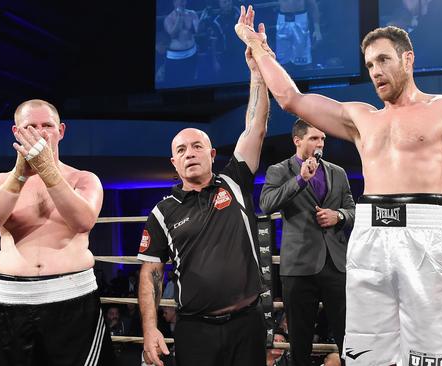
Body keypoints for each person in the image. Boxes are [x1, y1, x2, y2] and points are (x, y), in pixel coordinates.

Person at [235, 14, 442, 365]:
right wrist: (259, 48)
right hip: (370, 236)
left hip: (427, 233)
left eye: (383, 60)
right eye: (370, 64)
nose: (375, 71)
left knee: (435, 352)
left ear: (408, 58)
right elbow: (291, 99)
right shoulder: (362, 118)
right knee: (367, 352)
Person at [137, 9, 271, 366]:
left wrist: (257, 67)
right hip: (195, 330)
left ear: (212, 154)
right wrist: (150, 330)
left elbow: (256, 124)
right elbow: (150, 273)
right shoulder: (162, 212)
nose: (190, 153)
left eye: (197, 147)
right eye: (181, 150)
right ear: (174, 163)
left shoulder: (234, 180)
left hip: (247, 323)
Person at [0, 99, 114, 365]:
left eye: (47, 125)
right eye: (30, 126)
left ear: (61, 131)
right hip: (11, 303)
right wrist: (19, 176)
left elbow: (83, 221)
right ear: (16, 132)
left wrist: (47, 170)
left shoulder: (84, 179)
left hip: (72, 300)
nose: (39, 132)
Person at [259, 118, 354, 365]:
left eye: (322, 138)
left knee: (348, 337)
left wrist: (339, 216)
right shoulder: (279, 170)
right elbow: (267, 204)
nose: (320, 143)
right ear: (297, 140)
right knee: (299, 342)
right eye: (313, 138)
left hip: (336, 264)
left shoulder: (338, 173)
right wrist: (300, 179)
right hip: (299, 267)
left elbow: (353, 211)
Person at [163, 0, 200, 85]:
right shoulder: (169, 18)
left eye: (183, 1)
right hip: (175, 57)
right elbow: (173, 34)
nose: (181, 3)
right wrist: (179, 17)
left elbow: (197, 31)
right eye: (179, 1)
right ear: (174, 2)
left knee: (191, 80)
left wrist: (200, 22)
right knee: (174, 82)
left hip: (191, 53)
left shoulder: (192, 14)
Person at [275, 0, 321, 67]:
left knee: (302, 59)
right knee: (282, 60)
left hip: (300, 18)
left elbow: (313, 6)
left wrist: (317, 29)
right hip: (282, 19)